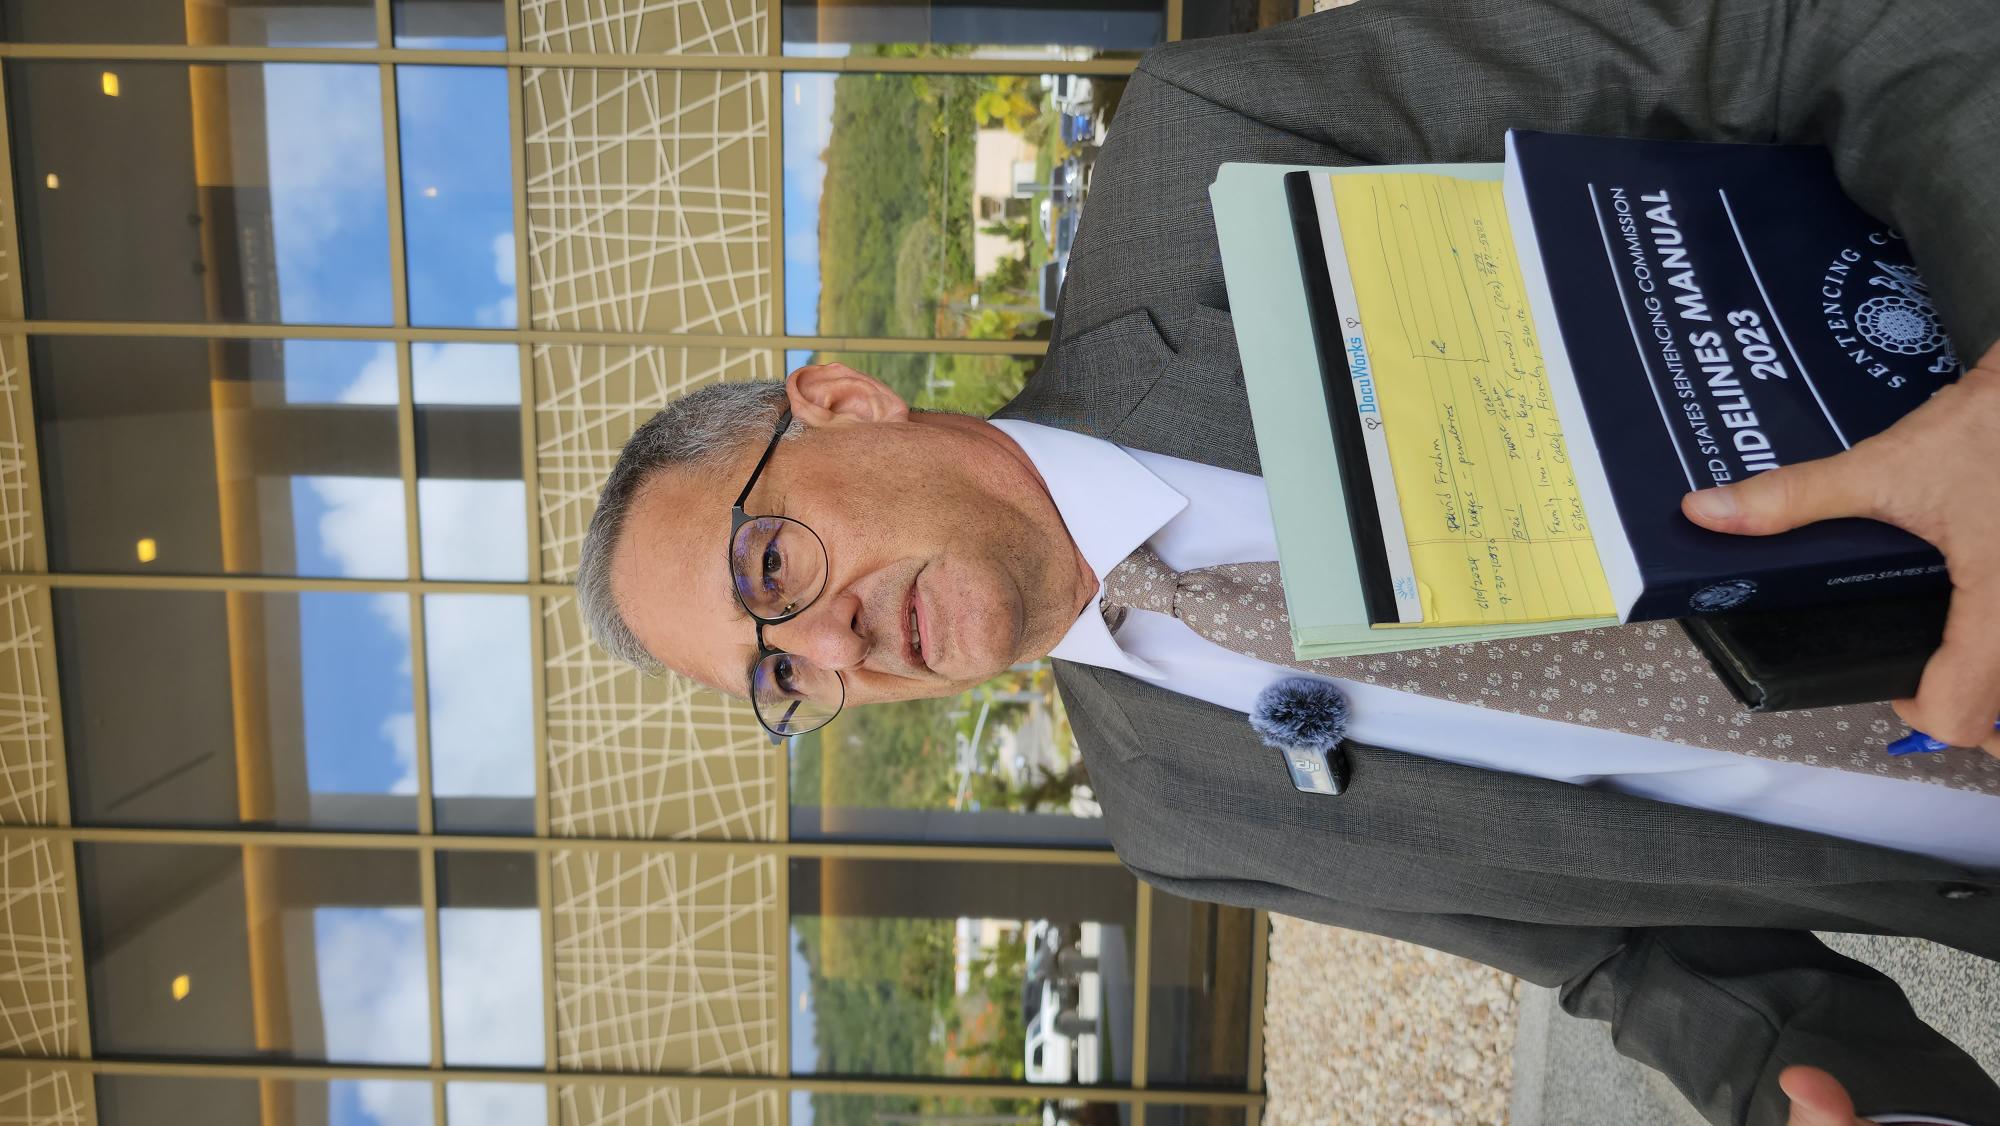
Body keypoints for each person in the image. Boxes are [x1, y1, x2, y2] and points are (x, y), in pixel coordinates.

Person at [576, 1, 2000, 1122]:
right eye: (777, 674)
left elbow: (1798, 31)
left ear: (841, 403)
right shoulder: (1176, 819)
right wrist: (1830, 1099)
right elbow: (1623, 942)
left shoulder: (1210, 162)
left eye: (769, 567)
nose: (828, 647)